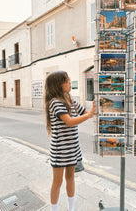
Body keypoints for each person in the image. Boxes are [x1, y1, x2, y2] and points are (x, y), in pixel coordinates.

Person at [44, 71, 96, 211]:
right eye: (67, 80)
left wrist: (95, 110)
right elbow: (70, 122)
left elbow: (84, 111)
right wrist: (90, 114)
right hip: (60, 149)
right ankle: (54, 209)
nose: (69, 82)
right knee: (58, 181)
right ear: (58, 85)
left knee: (71, 177)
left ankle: (71, 208)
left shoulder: (69, 99)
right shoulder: (55, 102)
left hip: (73, 148)